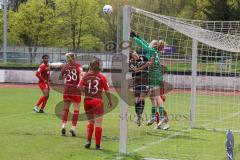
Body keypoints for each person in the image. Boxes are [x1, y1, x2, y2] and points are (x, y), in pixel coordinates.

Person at [130, 31, 167, 129]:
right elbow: (145, 43)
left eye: (150, 43)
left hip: (154, 75)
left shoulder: (151, 51)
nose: (148, 43)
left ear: (153, 46)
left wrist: (134, 38)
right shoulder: (154, 51)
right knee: (152, 97)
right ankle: (154, 116)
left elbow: (142, 44)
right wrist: (137, 36)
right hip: (155, 75)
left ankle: (162, 116)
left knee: (157, 96)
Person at [79, 58, 112, 150]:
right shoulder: (101, 76)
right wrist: (110, 100)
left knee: (90, 122)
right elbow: (107, 90)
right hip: (97, 101)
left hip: (87, 101)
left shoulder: (86, 76)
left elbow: (79, 87)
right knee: (98, 123)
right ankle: (97, 145)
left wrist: (86, 91)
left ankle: (88, 141)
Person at [61, 52, 82, 137]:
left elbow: (63, 78)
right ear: (74, 57)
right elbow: (81, 75)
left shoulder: (65, 66)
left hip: (67, 89)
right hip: (75, 89)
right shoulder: (78, 65)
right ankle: (73, 128)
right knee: (76, 109)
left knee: (66, 109)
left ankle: (63, 126)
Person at [129, 51, 151, 126]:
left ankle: (139, 117)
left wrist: (148, 64)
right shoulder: (131, 63)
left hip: (145, 80)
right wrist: (146, 65)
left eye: (135, 53)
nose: (135, 54)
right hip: (136, 81)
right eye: (133, 54)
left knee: (141, 99)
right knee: (136, 100)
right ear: (132, 57)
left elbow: (150, 65)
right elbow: (136, 70)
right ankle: (138, 116)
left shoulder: (144, 58)